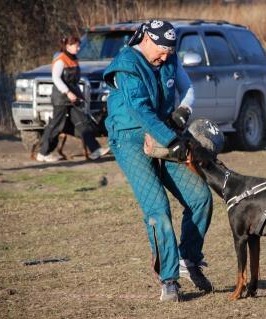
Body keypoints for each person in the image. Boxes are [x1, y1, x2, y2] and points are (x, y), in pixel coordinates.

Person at [103, 20, 214, 302]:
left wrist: (180, 118)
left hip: (163, 133)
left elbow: (184, 87)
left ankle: (188, 259)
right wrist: (171, 140)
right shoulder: (126, 65)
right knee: (158, 208)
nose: (165, 57)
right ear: (147, 41)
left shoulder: (168, 58)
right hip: (129, 138)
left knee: (200, 197)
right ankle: (168, 279)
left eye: (169, 52)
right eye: (161, 51)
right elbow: (139, 109)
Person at [36, 36, 110, 162]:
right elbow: (56, 79)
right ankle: (43, 152)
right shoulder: (60, 60)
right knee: (56, 126)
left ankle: (95, 150)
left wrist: (79, 93)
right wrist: (68, 92)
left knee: (83, 123)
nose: (79, 48)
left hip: (73, 98)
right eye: (76, 46)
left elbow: (73, 81)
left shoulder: (73, 60)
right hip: (61, 99)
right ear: (68, 46)